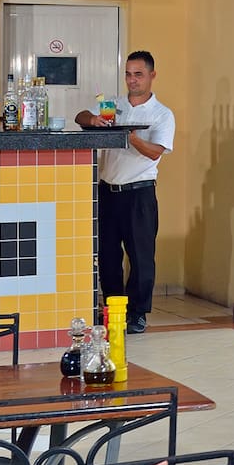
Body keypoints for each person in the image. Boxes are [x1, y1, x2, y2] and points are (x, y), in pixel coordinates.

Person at [76, 51, 175, 334]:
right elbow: (80, 116)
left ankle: (138, 313)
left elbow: (155, 152)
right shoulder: (113, 105)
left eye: (138, 74)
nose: (132, 80)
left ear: (152, 76)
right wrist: (94, 120)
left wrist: (129, 137)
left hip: (139, 193)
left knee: (141, 257)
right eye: (128, 74)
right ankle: (113, 309)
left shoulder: (162, 114)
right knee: (107, 255)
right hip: (107, 191)